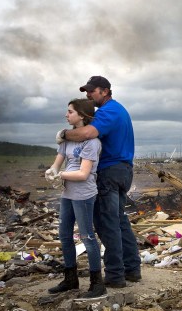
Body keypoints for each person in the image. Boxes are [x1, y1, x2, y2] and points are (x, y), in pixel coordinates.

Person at [56, 76, 141, 288]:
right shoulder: (117, 110)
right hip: (122, 170)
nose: (88, 94)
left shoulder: (108, 111)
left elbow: (88, 132)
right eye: (87, 91)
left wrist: (64, 134)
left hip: (110, 171)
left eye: (92, 91)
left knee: (107, 223)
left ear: (105, 91)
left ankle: (114, 275)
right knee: (119, 221)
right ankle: (132, 269)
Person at [46, 98, 106, 298]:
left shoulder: (92, 142)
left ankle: (97, 284)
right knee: (64, 235)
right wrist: (52, 170)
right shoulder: (68, 139)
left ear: (82, 115)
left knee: (87, 237)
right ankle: (71, 279)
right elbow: (58, 162)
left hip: (83, 194)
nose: (66, 115)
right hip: (68, 193)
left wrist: (59, 175)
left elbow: (83, 174)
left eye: (70, 112)